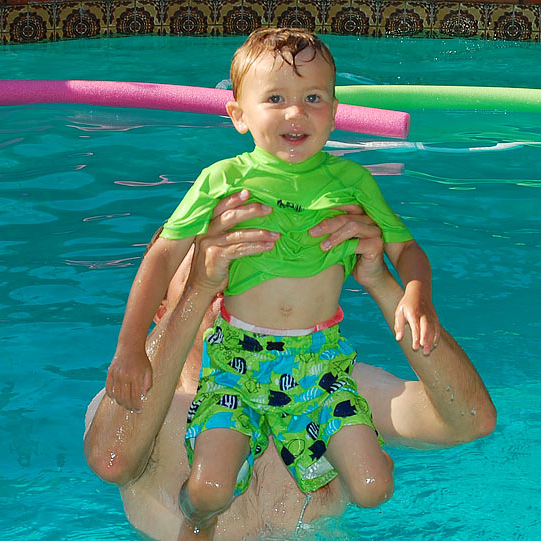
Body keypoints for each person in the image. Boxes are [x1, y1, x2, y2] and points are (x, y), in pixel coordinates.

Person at [106, 28, 443, 538]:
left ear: (334, 109)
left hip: (317, 358)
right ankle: (203, 513)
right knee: (208, 494)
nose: (296, 113)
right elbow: (160, 257)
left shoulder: (351, 182)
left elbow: (406, 248)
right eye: (276, 99)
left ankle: (307, 455)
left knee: (375, 486)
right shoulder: (222, 179)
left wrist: (416, 292)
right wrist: (130, 347)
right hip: (238, 361)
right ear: (238, 115)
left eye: (313, 98)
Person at [84, 194, 496, 540]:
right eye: (210, 270)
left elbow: (468, 421)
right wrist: (200, 291)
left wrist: (383, 284)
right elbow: (112, 460)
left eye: (250, 272)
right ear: (161, 308)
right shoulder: (137, 407)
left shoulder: (333, 388)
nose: (231, 286)